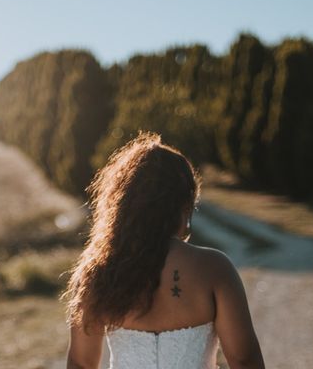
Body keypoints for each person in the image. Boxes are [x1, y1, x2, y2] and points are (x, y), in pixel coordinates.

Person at [60, 130, 265, 369]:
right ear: (185, 203)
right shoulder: (214, 269)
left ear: (122, 206)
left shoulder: (98, 271)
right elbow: (243, 360)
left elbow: (81, 364)